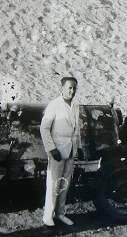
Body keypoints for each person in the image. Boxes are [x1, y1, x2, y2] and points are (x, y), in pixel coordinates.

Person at [40, 76, 83, 227]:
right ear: (62, 88)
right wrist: (52, 148)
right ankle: (48, 215)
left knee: (65, 183)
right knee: (53, 183)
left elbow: (77, 128)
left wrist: (79, 147)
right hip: (57, 150)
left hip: (71, 149)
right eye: (69, 88)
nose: (72, 91)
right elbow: (44, 128)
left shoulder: (75, 105)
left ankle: (60, 213)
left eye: (74, 88)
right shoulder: (54, 105)